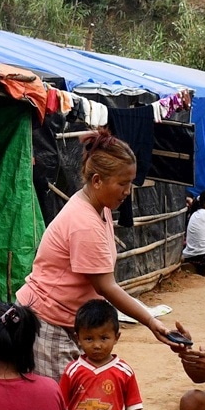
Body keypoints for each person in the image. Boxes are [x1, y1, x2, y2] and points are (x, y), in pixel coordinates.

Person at [17, 131, 184, 381]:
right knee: (61, 408)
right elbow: (106, 286)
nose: (128, 191)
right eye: (122, 183)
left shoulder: (99, 208)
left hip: (64, 320)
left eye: (130, 182)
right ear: (97, 181)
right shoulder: (84, 222)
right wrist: (150, 321)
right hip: (49, 322)